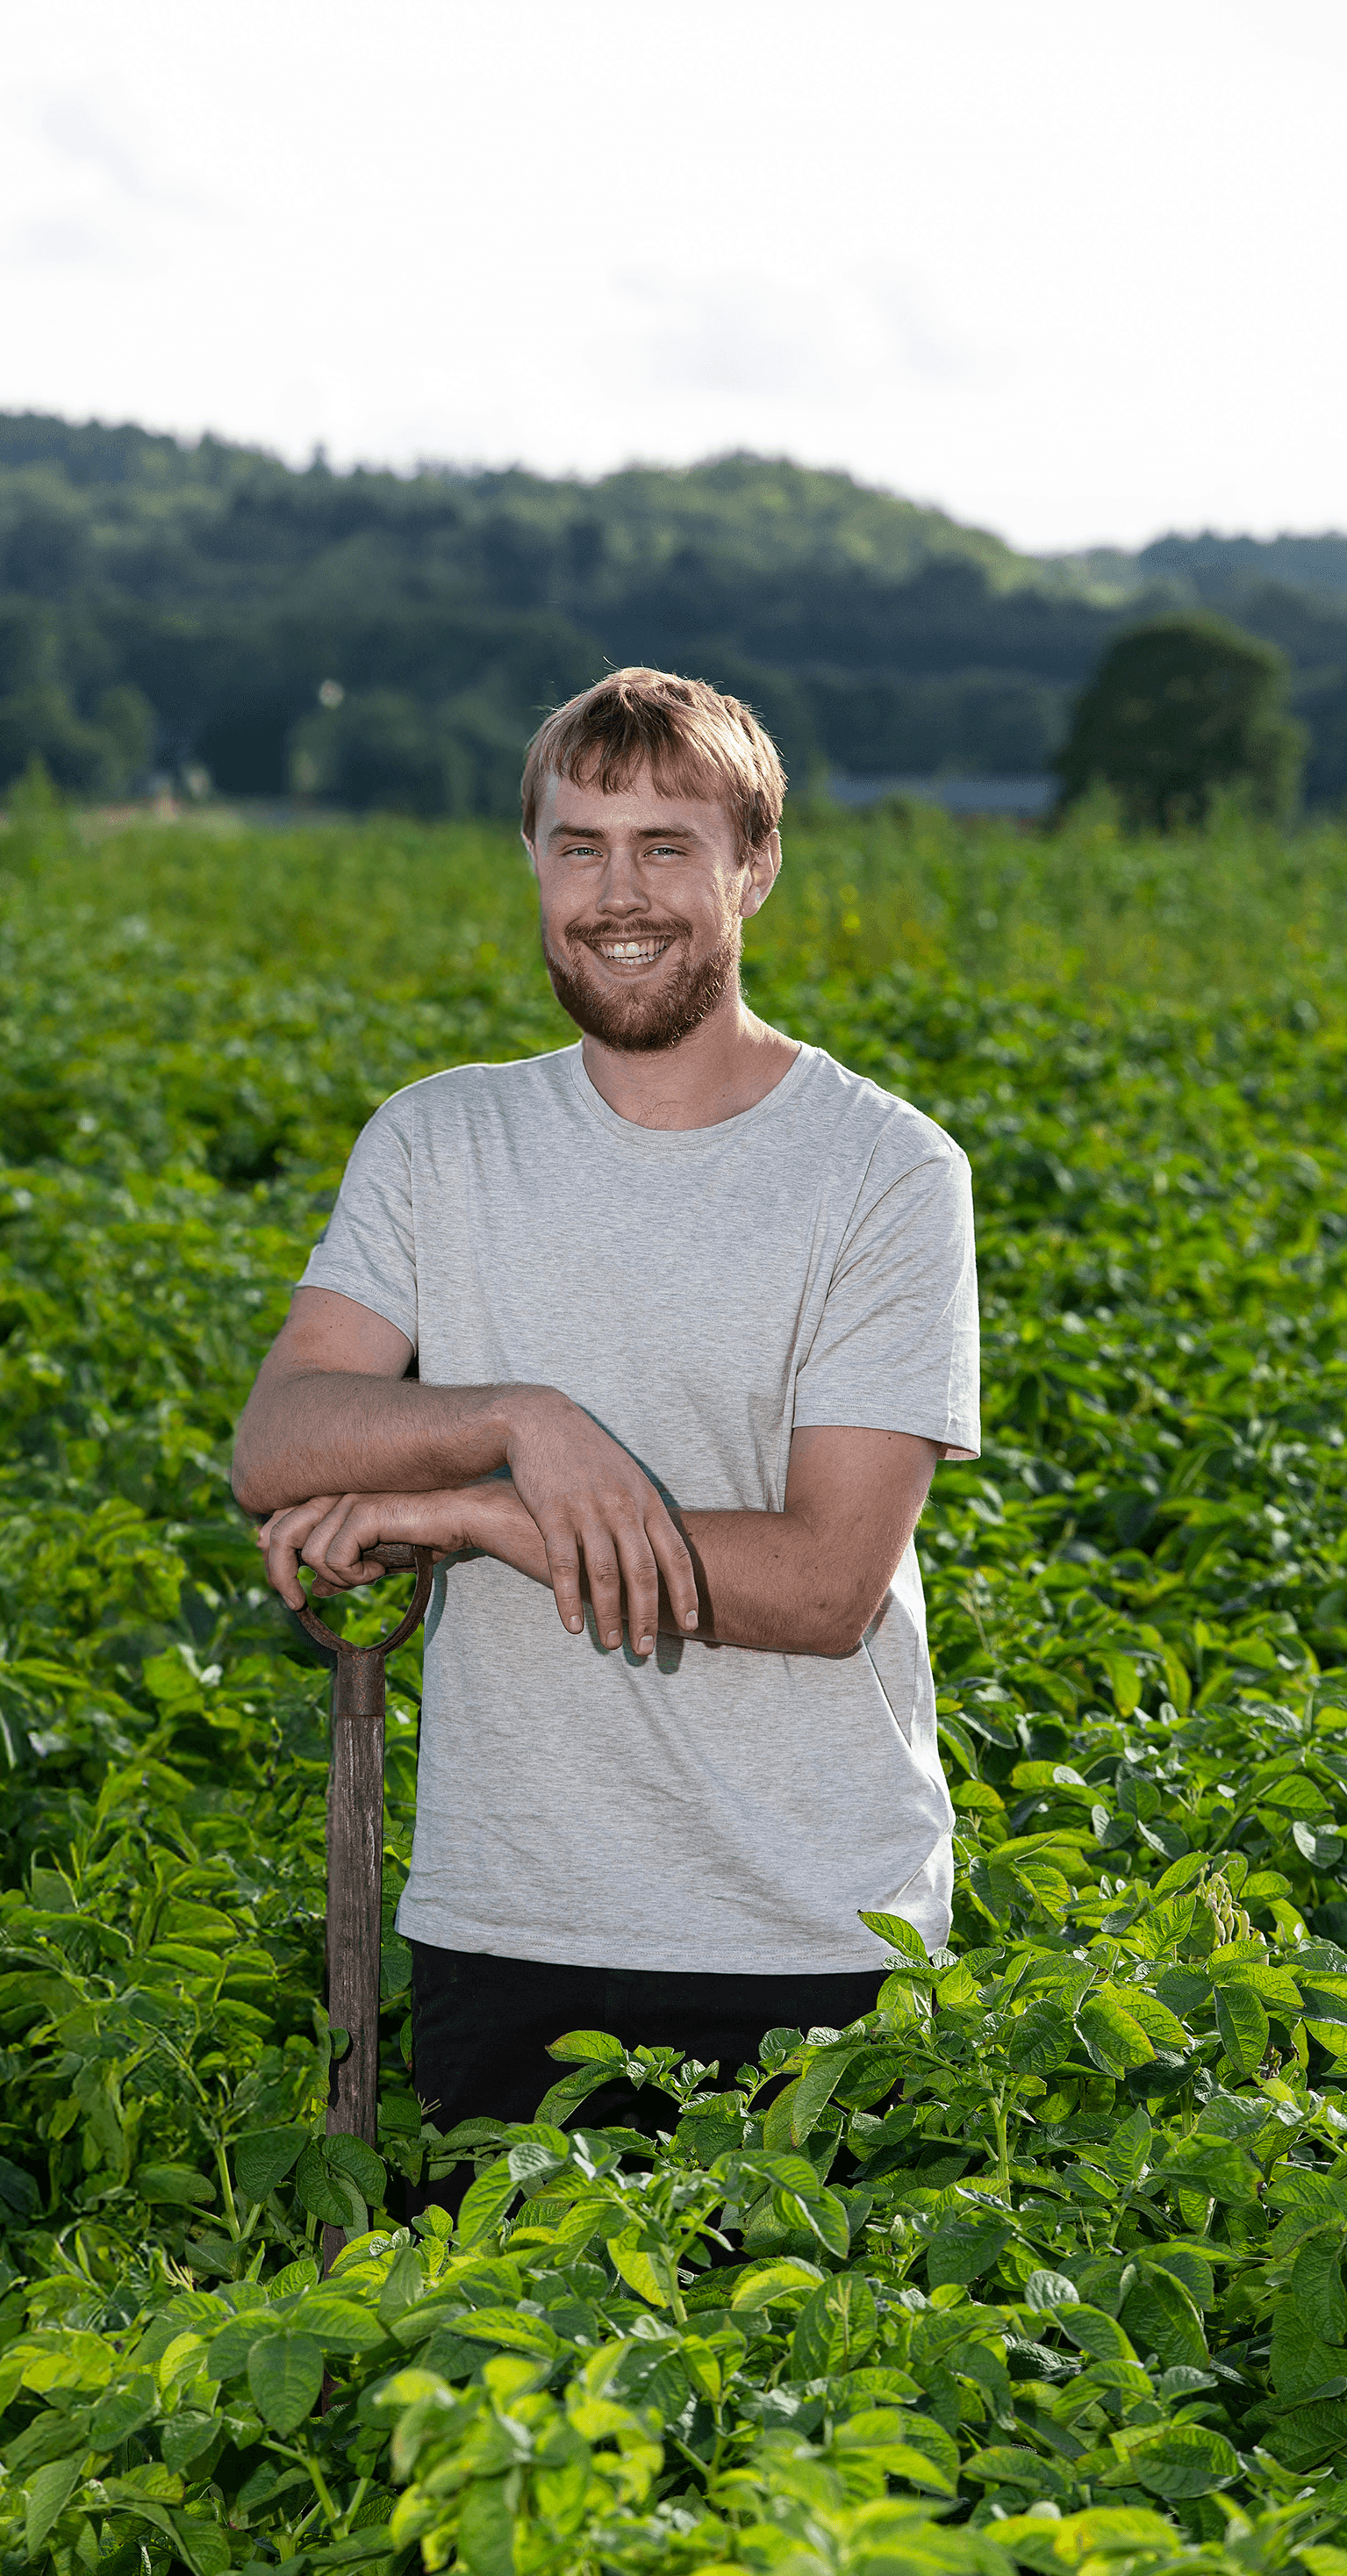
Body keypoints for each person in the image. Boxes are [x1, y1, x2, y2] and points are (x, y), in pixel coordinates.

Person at [233, 667, 979, 2158]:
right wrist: (518, 1417)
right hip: (509, 1918)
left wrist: (481, 1515)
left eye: (665, 847)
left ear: (753, 866)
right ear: (533, 865)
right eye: (579, 846)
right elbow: (284, 1441)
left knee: (820, 2390)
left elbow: (828, 1585)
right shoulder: (441, 1141)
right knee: (481, 2394)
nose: (616, 894)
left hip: (810, 1938)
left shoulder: (884, 1172)